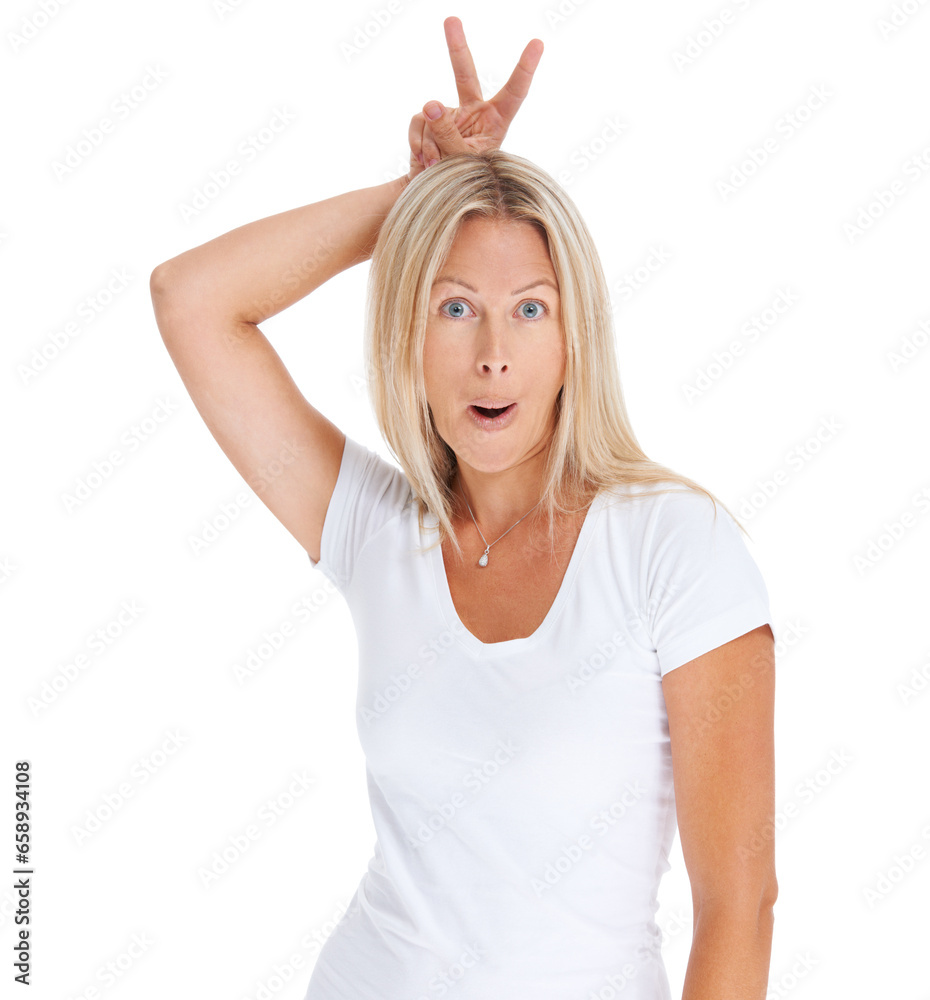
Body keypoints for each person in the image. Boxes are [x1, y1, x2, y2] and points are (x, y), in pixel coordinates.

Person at [150, 16, 777, 1000]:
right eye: (454, 306)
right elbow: (191, 299)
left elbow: (740, 905)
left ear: (575, 337)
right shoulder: (378, 532)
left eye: (530, 307)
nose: (493, 352)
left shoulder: (674, 545)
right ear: (411, 332)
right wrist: (416, 202)